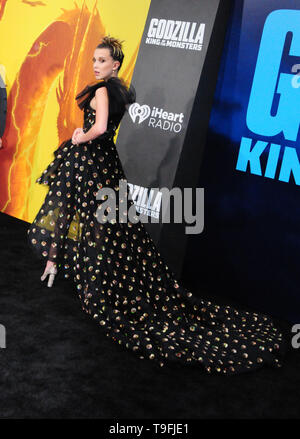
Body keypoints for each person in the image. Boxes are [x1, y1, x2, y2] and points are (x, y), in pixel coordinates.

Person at [27, 36, 288, 375]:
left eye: (102, 60)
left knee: (79, 213)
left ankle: (60, 265)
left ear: (115, 65)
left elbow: (102, 128)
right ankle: (63, 265)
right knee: (108, 225)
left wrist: (80, 135)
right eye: (94, 59)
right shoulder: (116, 91)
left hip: (92, 161)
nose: (96, 64)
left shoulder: (104, 92)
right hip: (105, 164)